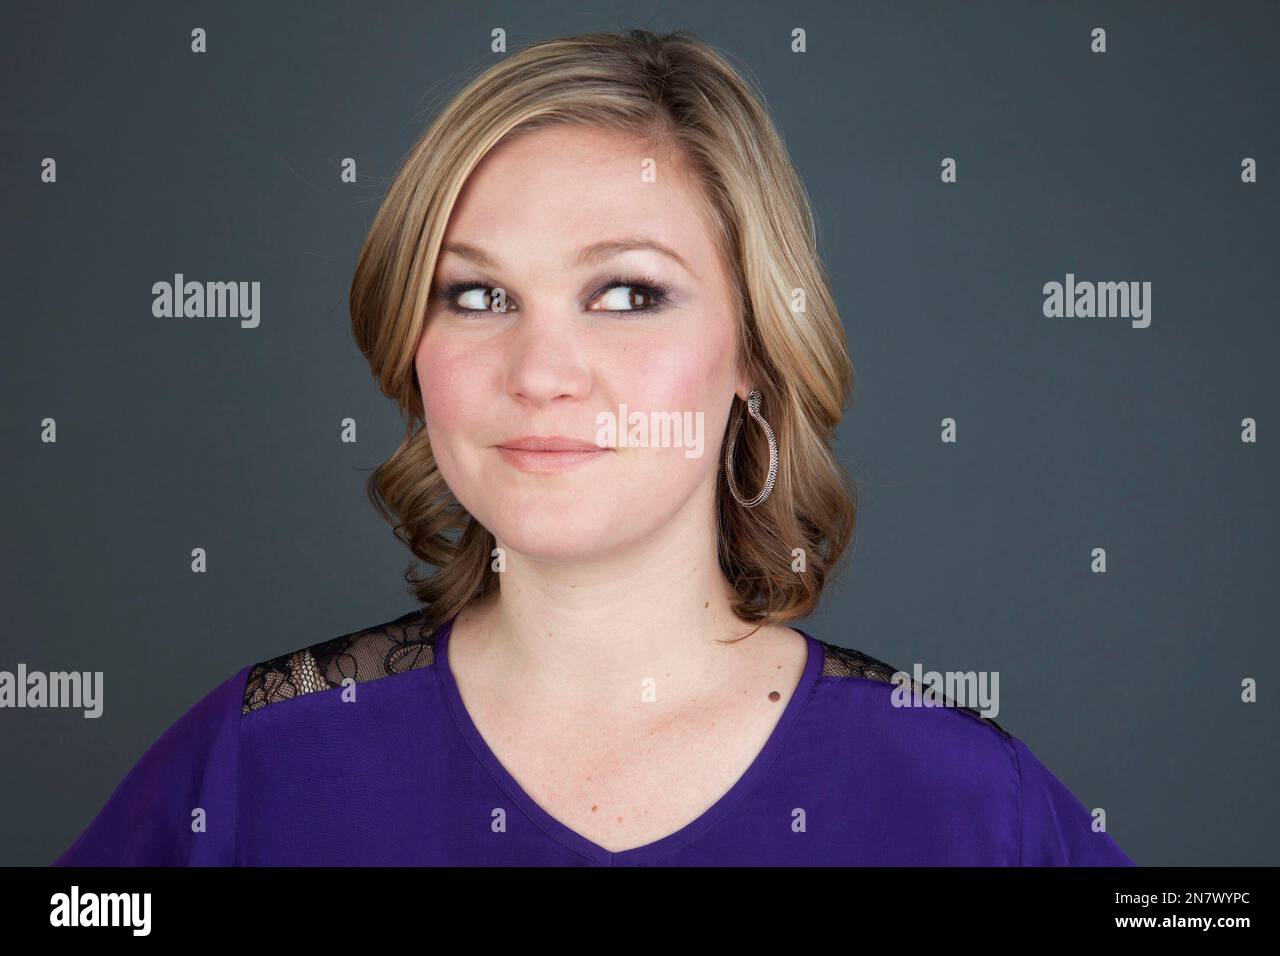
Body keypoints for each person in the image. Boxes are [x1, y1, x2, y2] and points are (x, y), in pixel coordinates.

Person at [52, 28, 1134, 867]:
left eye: (627, 293)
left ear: (754, 347)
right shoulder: (261, 756)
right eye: (476, 294)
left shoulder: (957, 796)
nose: (541, 369)